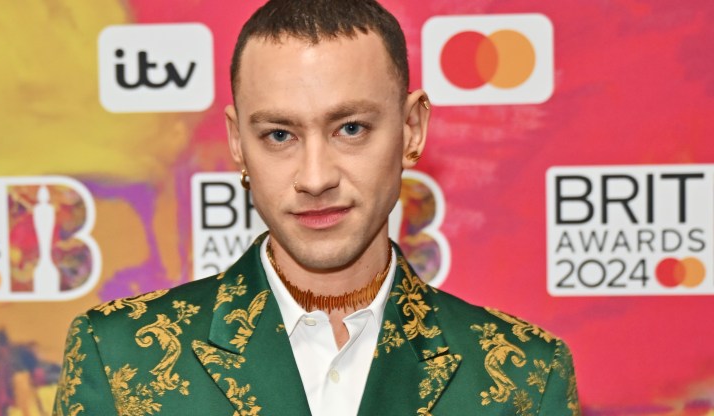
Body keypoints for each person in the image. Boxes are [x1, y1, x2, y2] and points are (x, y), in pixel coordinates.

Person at [53, 1, 580, 415]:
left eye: (350, 129)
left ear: (412, 129)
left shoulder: (524, 375)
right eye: (279, 135)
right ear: (238, 143)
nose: (315, 178)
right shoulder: (119, 354)